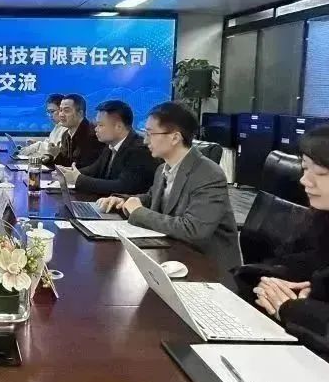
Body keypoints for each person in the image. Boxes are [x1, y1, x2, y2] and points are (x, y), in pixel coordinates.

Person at [243, 120, 329, 373]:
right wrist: (269, 283)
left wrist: (297, 311)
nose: (305, 180)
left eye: (321, 173)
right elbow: (303, 262)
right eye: (305, 168)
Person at [99, 102, 240, 272]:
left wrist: (139, 212)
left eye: (150, 134)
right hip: (173, 254)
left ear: (175, 138)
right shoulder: (162, 168)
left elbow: (193, 230)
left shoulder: (209, 174)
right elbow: (152, 198)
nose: (145, 140)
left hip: (207, 266)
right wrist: (124, 201)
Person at [56, 100, 158, 196]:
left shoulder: (139, 150)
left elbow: (123, 186)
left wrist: (78, 179)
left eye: (100, 125)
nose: (96, 129)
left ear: (118, 127)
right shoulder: (110, 144)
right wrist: (69, 172)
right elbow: (95, 169)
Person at [45, 94, 104, 168]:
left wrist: (57, 155)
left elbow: (80, 168)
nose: (61, 115)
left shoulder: (92, 135)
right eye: (60, 110)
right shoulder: (66, 135)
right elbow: (65, 163)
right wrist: (50, 158)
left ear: (80, 113)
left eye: (66, 111)